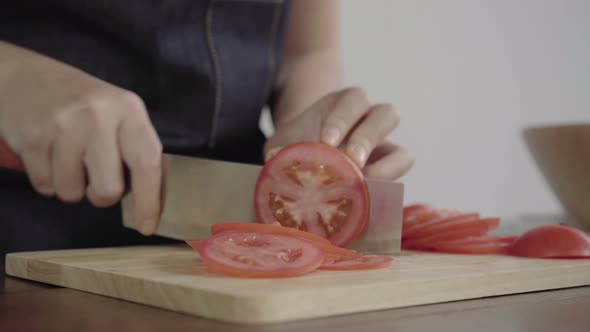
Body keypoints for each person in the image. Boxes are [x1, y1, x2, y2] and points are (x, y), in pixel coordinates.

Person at [0, 0, 414, 255]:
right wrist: (11, 77)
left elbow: (307, 54)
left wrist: (315, 148)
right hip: (23, 208)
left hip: (233, 235)